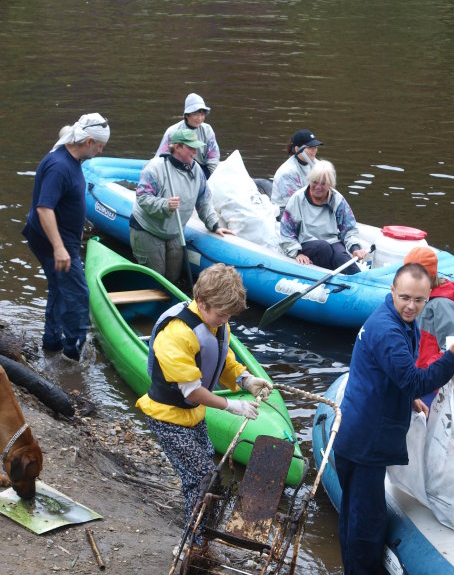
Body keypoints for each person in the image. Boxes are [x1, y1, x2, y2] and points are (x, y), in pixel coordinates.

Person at [333, 263, 454, 575]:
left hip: (364, 429)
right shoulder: (388, 330)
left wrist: (409, 399)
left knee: (359, 513)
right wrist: (451, 360)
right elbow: (412, 379)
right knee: (366, 521)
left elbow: (392, 376)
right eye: (405, 297)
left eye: (419, 300)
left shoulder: (401, 322)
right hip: (363, 440)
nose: (411, 306)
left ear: (428, 297)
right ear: (392, 291)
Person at [137, 264, 272, 545]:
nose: (224, 321)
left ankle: (202, 536)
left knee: (207, 472)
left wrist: (245, 380)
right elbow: (193, 391)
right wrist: (231, 405)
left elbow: (224, 359)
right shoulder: (177, 334)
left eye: (229, 316)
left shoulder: (217, 321)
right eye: (221, 315)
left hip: (193, 416)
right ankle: (193, 543)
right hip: (167, 417)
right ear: (201, 302)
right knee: (202, 477)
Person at [23, 113, 110, 360]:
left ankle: (52, 344)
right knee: (79, 297)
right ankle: (72, 355)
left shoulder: (70, 155)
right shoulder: (60, 167)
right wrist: (59, 247)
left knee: (60, 289)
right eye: (100, 146)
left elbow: (64, 201)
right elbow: (44, 208)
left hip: (57, 237)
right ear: (88, 141)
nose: (101, 151)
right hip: (55, 241)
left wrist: (76, 225)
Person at [130, 128, 234, 283]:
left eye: (196, 147)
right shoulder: (155, 167)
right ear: (177, 147)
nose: (195, 152)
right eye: (191, 148)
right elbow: (142, 198)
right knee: (156, 278)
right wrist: (165, 205)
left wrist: (214, 224)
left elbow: (204, 199)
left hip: (174, 231)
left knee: (172, 278)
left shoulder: (196, 170)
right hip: (148, 228)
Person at [279, 160, 367, 274]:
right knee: (323, 248)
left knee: (342, 257)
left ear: (330, 184)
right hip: (307, 243)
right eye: (315, 182)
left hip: (333, 241)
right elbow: (287, 231)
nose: (318, 187)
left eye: (323, 184)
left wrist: (355, 248)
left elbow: (349, 229)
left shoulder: (338, 200)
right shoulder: (297, 199)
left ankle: (361, 279)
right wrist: (297, 253)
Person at [409, 246, 454, 407]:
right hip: (417, 378)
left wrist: (429, 371)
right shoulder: (417, 300)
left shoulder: (442, 305)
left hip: (432, 384)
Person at [156, 93, 219, 179]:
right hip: (177, 169)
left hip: (201, 169)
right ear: (187, 115)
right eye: (195, 114)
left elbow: (213, 159)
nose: (199, 118)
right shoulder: (172, 132)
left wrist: (211, 179)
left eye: (202, 114)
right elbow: (160, 157)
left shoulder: (208, 130)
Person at [271, 128, 323, 216]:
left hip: (310, 208)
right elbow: (296, 205)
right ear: (297, 149)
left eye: (315, 147)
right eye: (310, 147)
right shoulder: (286, 172)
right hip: (285, 213)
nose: (314, 150)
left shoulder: (317, 164)